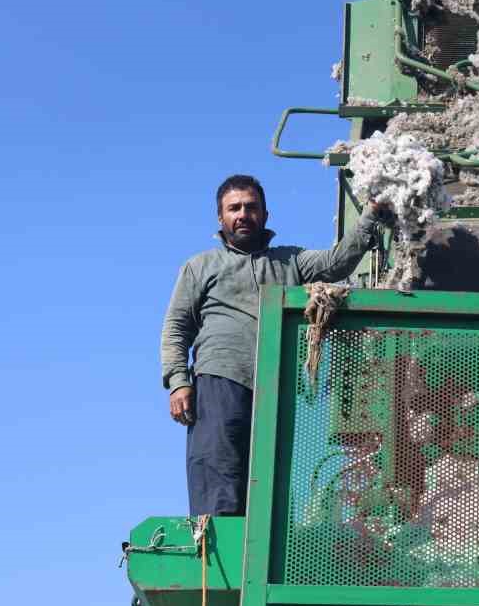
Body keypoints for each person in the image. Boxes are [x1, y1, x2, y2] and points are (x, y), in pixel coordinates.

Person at [161, 174, 390, 516]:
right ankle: (219, 554)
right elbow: (177, 327)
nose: (242, 214)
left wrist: (372, 213)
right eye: (234, 208)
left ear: (265, 215)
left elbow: (338, 261)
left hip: (276, 383)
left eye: (251, 207)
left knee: (271, 478)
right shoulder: (201, 266)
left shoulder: (291, 262)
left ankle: (263, 554)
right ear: (220, 217)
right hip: (220, 379)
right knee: (218, 472)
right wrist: (178, 382)